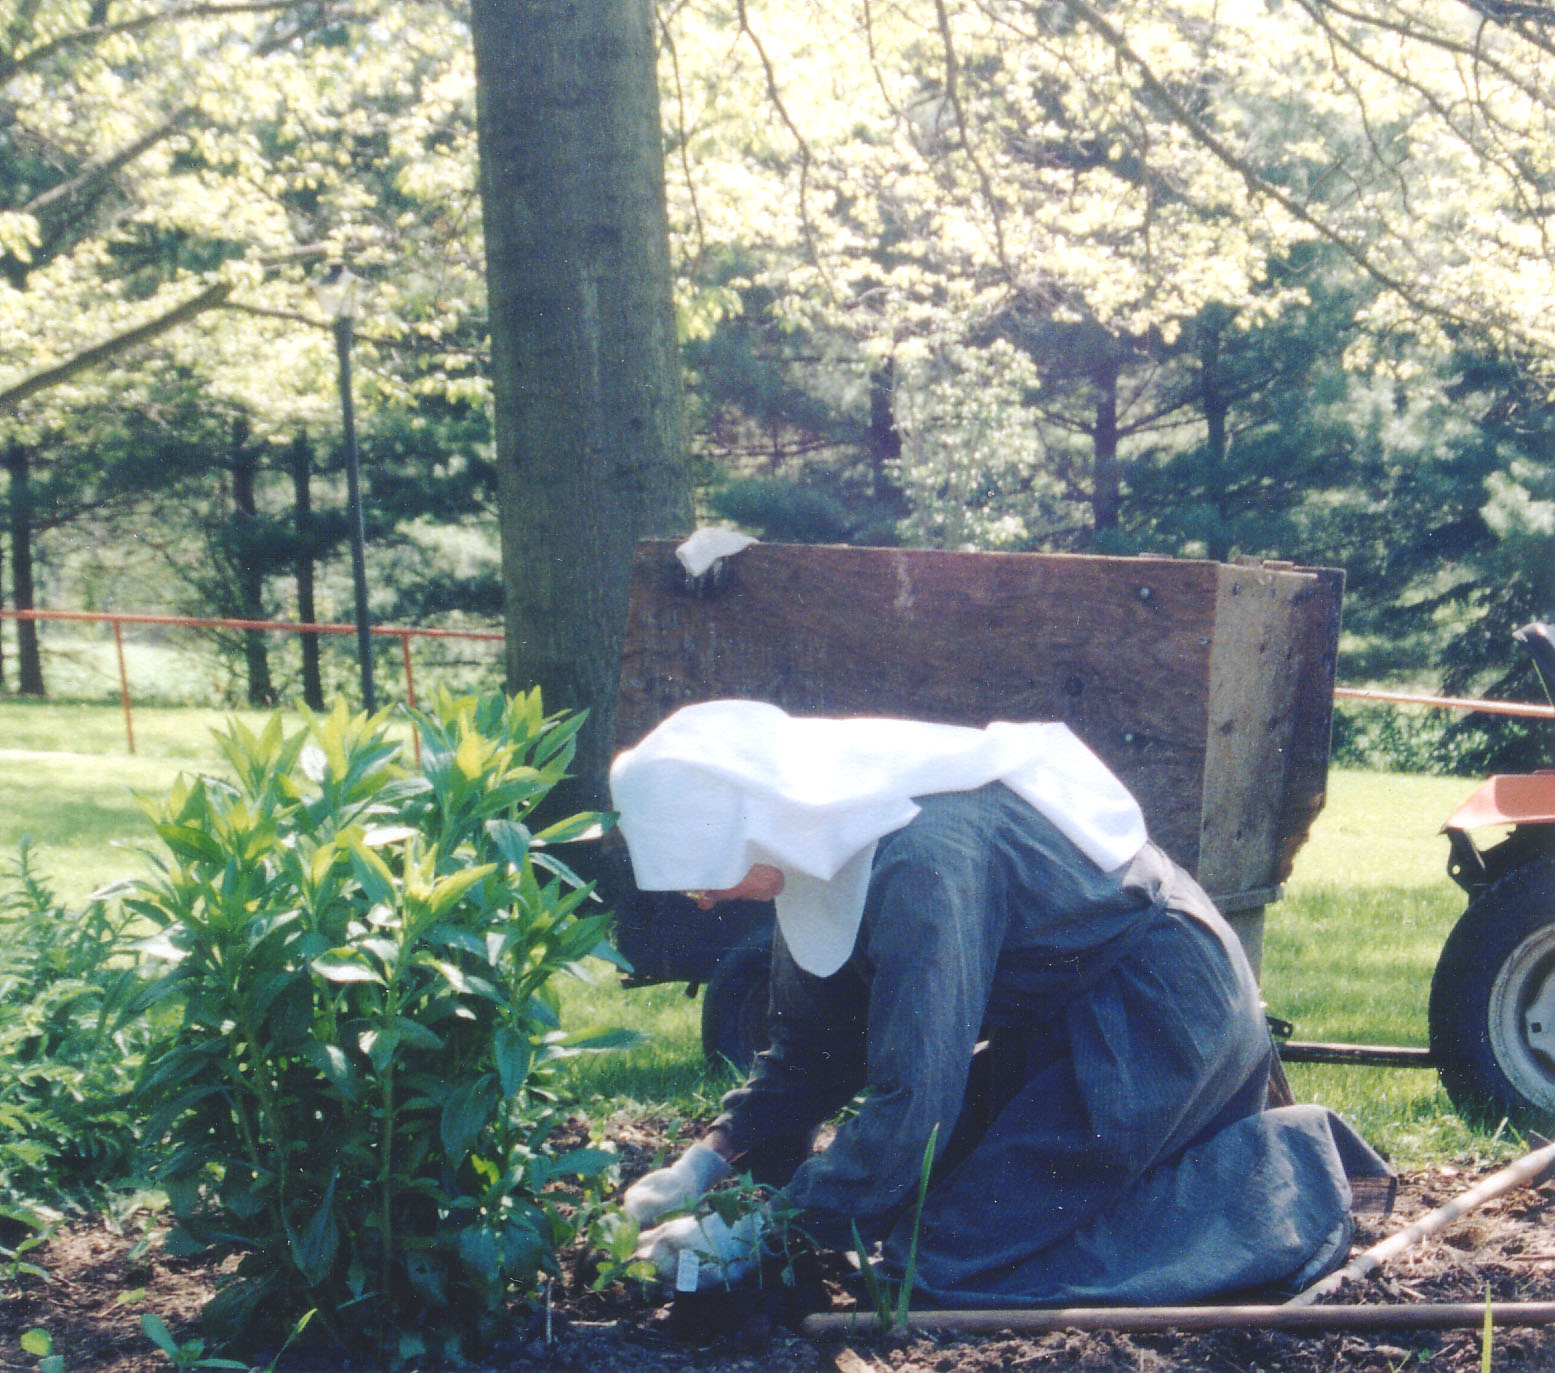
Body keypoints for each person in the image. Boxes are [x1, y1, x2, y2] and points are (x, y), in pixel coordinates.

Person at [608, 699, 1391, 1305]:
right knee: (914, 1213)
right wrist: (708, 1161)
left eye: (705, 871)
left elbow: (918, 1089)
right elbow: (815, 1050)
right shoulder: (811, 848)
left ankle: (1286, 1171)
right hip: (1059, 1024)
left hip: (1155, 1015)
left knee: (945, 1258)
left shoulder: (922, 860)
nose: (705, 900)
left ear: (756, 821)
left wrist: (763, 1231)